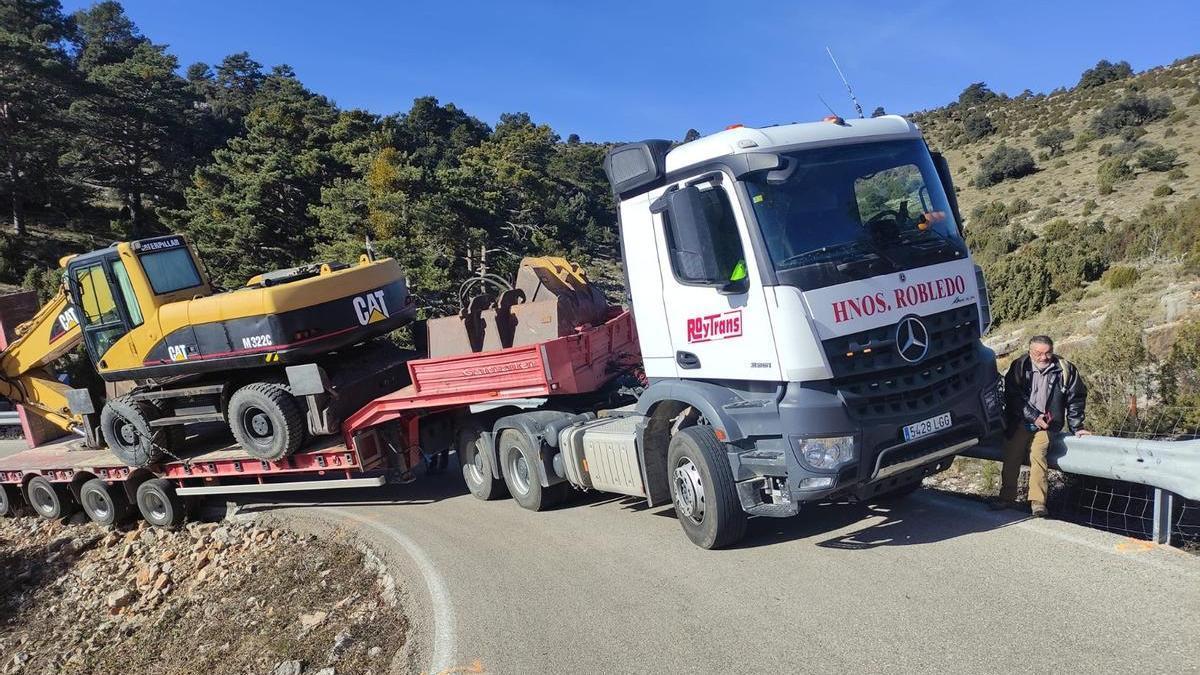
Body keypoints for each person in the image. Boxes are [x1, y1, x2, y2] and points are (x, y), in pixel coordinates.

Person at [991, 335, 1091, 517]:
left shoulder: (1064, 369)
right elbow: (1012, 396)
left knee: (1038, 455)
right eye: (1038, 353)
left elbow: (1075, 398)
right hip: (1020, 421)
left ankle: (1038, 503)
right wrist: (1034, 416)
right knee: (1012, 456)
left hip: (1048, 425)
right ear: (1030, 352)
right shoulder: (1019, 367)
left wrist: (1077, 426)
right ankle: (1006, 497)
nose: (1044, 358)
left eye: (1048, 353)